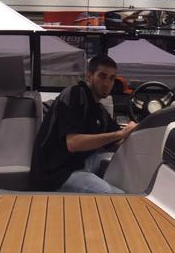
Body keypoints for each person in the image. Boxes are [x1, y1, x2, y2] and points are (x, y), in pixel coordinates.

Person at [30, 54, 137, 193]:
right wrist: (120, 133)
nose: (107, 83)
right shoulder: (75, 94)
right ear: (89, 76)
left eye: (111, 78)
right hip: (53, 174)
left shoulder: (100, 111)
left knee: (117, 163)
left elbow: (116, 141)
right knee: (113, 195)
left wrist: (133, 133)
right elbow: (73, 143)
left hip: (76, 164)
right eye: (102, 76)